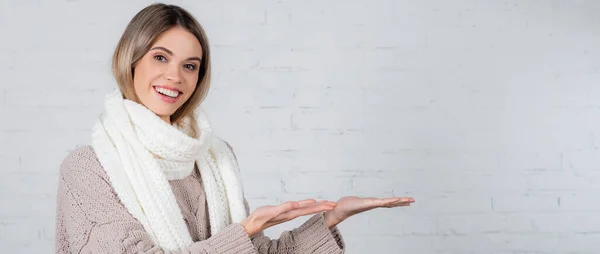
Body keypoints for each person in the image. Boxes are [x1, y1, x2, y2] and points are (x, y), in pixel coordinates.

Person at [55, 3, 415, 253]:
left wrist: (332, 218)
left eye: (190, 66)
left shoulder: (216, 160)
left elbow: (253, 253)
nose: (174, 76)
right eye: (160, 57)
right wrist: (243, 232)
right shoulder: (89, 168)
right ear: (130, 60)